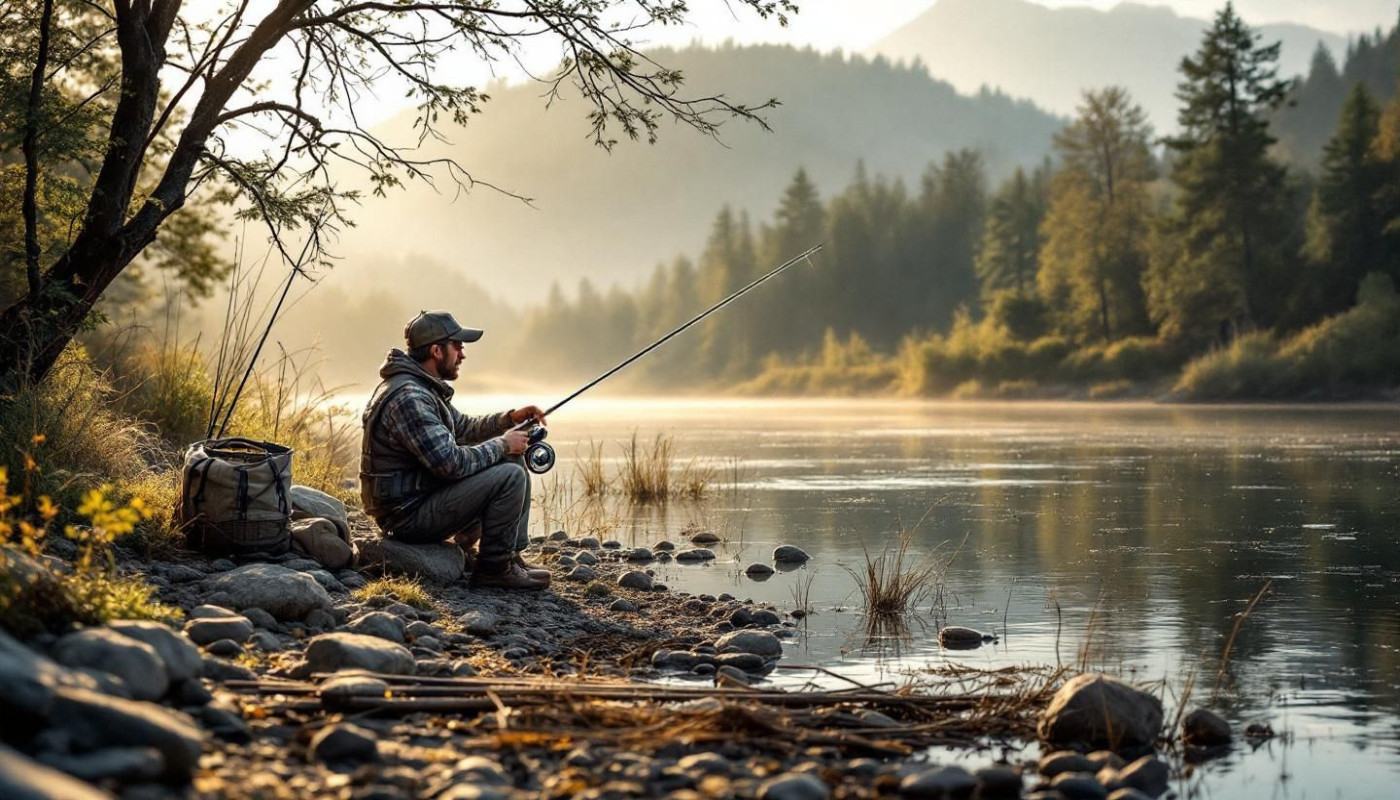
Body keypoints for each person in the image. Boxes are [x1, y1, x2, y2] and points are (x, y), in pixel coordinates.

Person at [360, 311, 550, 590]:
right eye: (457, 346)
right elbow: (450, 464)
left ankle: (509, 557)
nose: (462, 354)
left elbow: (462, 428)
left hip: (419, 500)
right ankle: (494, 570)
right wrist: (503, 443)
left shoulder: (422, 387)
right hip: (407, 516)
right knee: (510, 475)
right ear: (437, 351)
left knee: (512, 459)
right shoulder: (409, 397)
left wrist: (508, 419)